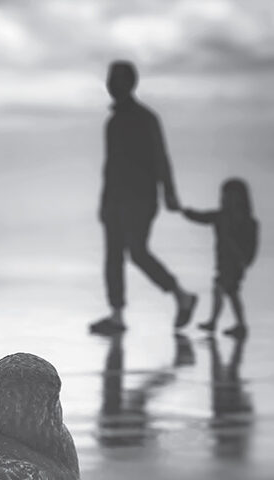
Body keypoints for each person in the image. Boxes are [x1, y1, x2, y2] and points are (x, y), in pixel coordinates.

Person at [90, 61, 197, 336]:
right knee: (113, 256)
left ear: (131, 83)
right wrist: (103, 202)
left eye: (118, 79)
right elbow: (110, 166)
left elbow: (160, 156)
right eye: (110, 79)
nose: (112, 84)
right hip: (115, 199)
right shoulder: (113, 122)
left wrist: (169, 192)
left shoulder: (145, 118)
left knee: (137, 251)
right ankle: (116, 315)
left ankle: (181, 295)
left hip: (140, 198)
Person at [182, 178, 258, 338]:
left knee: (220, 289)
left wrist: (246, 260)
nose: (227, 199)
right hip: (226, 262)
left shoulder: (245, 221)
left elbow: (252, 244)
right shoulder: (222, 216)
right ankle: (239, 324)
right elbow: (201, 217)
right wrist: (186, 212)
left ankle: (214, 322)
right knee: (231, 293)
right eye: (226, 195)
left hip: (235, 263)